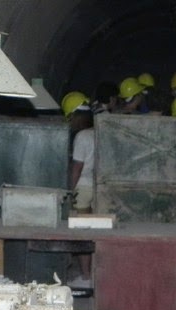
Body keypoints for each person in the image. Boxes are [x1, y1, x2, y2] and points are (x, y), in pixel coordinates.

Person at [65, 92, 95, 290]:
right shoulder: (96, 132)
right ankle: (92, 274)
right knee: (94, 230)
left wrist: (69, 190)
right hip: (95, 187)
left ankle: (86, 277)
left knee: (83, 231)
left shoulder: (81, 137)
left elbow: (77, 167)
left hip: (81, 188)